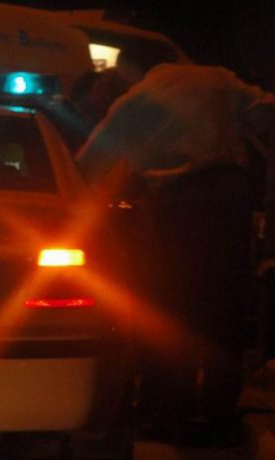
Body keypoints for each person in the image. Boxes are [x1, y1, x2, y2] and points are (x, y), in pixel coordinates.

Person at [77, 62, 275, 439]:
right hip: (229, 198)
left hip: (175, 205)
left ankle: (168, 411)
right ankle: (219, 413)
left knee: (170, 305)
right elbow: (265, 112)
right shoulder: (219, 78)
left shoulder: (135, 101)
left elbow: (88, 165)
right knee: (223, 306)